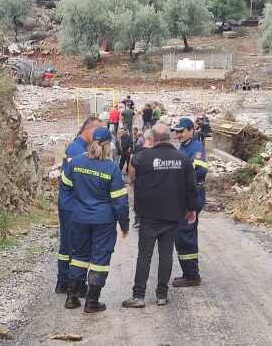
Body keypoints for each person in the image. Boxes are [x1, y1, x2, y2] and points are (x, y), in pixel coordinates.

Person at [122, 125, 199, 308]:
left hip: (149, 215)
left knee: (145, 255)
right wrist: (191, 209)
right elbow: (191, 187)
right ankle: (162, 295)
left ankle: (139, 296)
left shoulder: (144, 157)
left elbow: (132, 165)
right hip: (173, 214)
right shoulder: (183, 159)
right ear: (169, 137)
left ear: (153, 139)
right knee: (166, 255)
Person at [60, 127, 130, 313]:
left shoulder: (75, 163)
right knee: (100, 260)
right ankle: (92, 302)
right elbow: (120, 202)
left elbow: (65, 189)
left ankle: (71, 297)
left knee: (78, 257)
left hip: (79, 218)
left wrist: (72, 210)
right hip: (103, 222)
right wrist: (124, 225)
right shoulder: (111, 168)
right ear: (109, 146)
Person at [55, 116, 103, 295]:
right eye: (97, 134)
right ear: (88, 130)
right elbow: (81, 180)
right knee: (73, 245)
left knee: (71, 245)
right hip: (72, 206)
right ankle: (68, 282)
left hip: (73, 204)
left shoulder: (81, 147)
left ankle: (66, 281)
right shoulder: (77, 149)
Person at [171, 118, 209, 287]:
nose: (178, 135)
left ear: (190, 130)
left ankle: (192, 276)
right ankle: (189, 273)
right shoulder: (185, 147)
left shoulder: (196, 148)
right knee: (182, 234)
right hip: (184, 196)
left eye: (181, 131)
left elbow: (199, 170)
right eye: (176, 132)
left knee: (185, 234)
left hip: (191, 196)